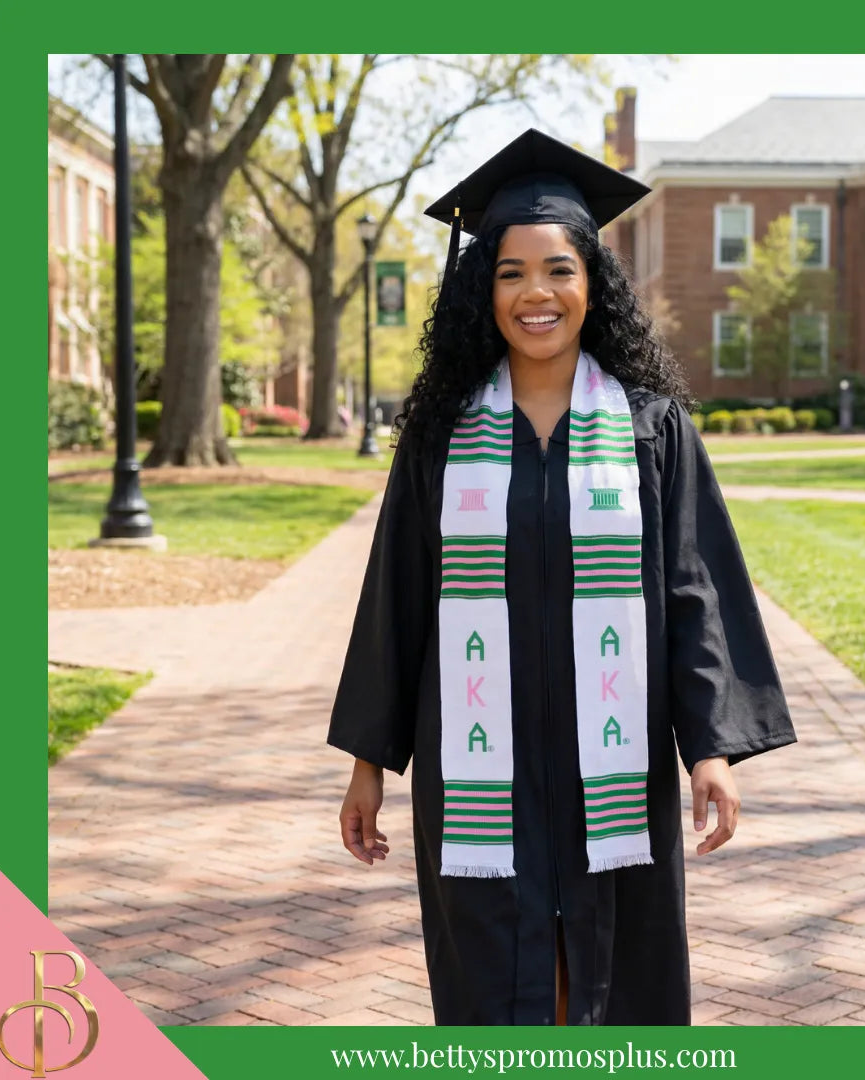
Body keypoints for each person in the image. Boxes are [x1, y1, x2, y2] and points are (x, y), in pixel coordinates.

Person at [328, 129, 797, 1026]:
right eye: (509, 272)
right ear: (482, 290)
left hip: (612, 765)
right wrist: (367, 765)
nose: (535, 293)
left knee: (615, 975)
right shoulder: (444, 434)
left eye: (558, 270)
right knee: (495, 974)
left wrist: (710, 749)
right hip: (477, 772)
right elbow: (396, 601)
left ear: (593, 286)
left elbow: (692, 592)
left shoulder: (651, 428)